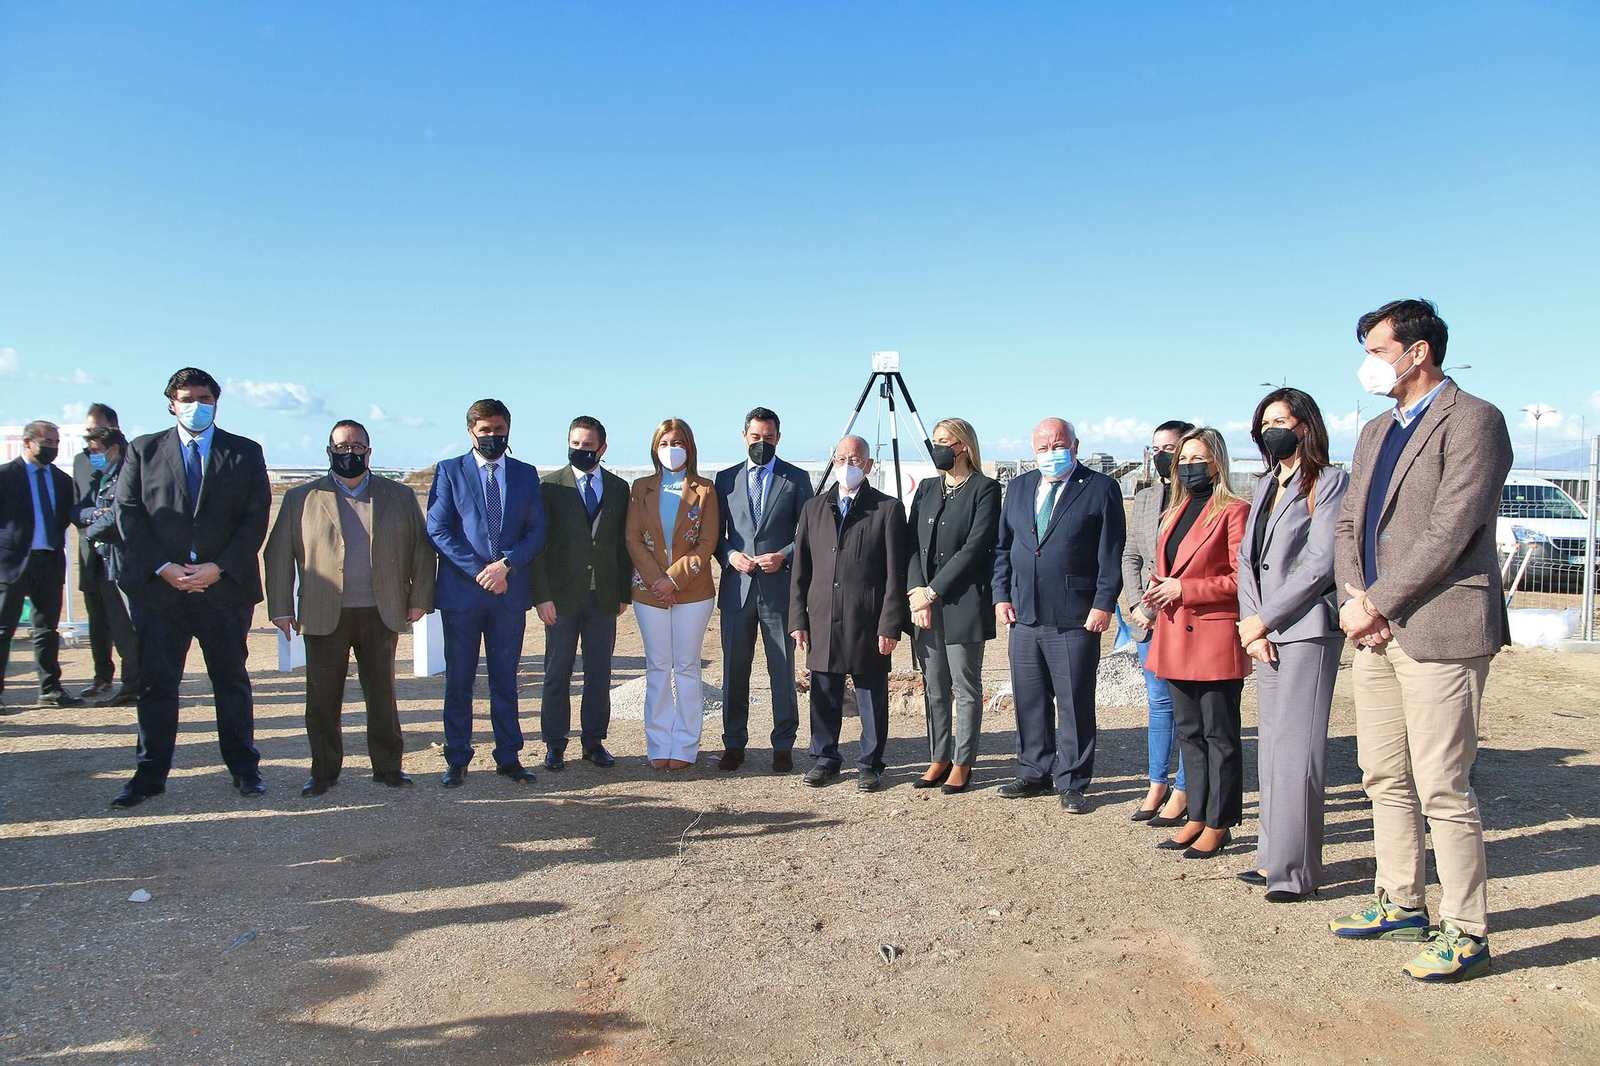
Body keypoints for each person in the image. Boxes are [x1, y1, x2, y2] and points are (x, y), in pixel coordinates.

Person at [1327, 299, 1512, 983]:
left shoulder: (1474, 420)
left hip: (1441, 628)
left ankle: (1466, 930)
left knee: (1442, 786)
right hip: (1374, 630)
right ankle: (1401, 900)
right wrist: (1358, 601)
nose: (1368, 365)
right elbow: (1349, 525)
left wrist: (1378, 602)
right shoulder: (1377, 429)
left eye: (1377, 351)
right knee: (1383, 775)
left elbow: (1451, 529)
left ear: (1418, 351)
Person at [109, 369, 272, 808]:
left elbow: (255, 517)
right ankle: (149, 776)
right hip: (162, 592)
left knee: (231, 682)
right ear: (171, 403)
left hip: (224, 590)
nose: (196, 405)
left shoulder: (244, 452)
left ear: (217, 402)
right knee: (157, 685)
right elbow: (128, 514)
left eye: (204, 398)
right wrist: (163, 566)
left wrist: (219, 567)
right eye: (187, 398)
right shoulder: (143, 450)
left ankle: (244, 769)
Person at [265, 419, 436, 797]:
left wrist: (420, 598)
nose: (350, 453)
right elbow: (277, 554)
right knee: (322, 698)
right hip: (324, 612)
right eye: (342, 447)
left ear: (369, 452)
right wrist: (280, 607)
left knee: (382, 696)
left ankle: (388, 767)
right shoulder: (301, 498)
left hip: (381, 610)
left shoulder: (399, 496)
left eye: (357, 447)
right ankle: (324, 772)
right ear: (329, 451)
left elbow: (422, 551)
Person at [1235, 390, 1348, 901]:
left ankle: (1296, 872)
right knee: (1272, 749)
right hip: (1264, 632)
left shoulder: (1328, 482)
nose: (1271, 430)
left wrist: (1265, 618)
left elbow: (1321, 562)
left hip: (1305, 629)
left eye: (1281, 420)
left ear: (1306, 426)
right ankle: (1271, 859)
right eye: (1265, 423)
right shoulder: (1265, 484)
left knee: (1298, 753)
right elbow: (1246, 559)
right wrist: (1252, 625)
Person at [992, 418, 1125, 813]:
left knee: (1073, 703)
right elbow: (1004, 548)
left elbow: (1110, 554)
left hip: (1075, 616)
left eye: (1058, 445)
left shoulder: (1100, 488)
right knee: (1029, 699)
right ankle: (1034, 771)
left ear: (1075, 445)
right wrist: (1001, 595)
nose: (1051, 453)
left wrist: (1104, 603)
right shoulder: (1019, 487)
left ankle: (1072, 781)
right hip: (1024, 615)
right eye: (1043, 448)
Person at [428, 399, 548, 789]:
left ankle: (509, 756)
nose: (492, 436)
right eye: (485, 431)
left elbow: (537, 531)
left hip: (508, 593)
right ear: (471, 432)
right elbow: (438, 529)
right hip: (463, 595)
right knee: (459, 680)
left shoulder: (525, 474)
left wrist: (506, 565)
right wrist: (482, 571)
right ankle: (457, 757)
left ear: (508, 430)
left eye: (499, 430)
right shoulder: (450, 471)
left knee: (505, 680)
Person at [1143, 427, 1251, 858]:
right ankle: (1197, 815)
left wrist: (1185, 589)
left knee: (1219, 735)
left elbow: (1241, 580)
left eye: (1197, 459)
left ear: (1217, 464)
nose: (1188, 467)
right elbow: (1170, 567)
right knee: (1189, 734)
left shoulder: (1235, 511)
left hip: (1213, 637)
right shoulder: (1175, 511)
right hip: (1174, 635)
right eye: (1182, 460)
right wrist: (1159, 587)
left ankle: (1220, 823)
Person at [789, 435, 909, 792]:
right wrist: (798, 619)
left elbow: (895, 574)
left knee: (871, 696)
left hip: (867, 619)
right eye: (841, 458)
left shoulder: (887, 509)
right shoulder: (814, 508)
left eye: (855, 459)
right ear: (832, 461)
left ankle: (870, 763)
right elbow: (801, 570)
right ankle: (825, 758)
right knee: (824, 692)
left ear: (868, 465)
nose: (847, 465)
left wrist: (890, 623)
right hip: (822, 617)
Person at [713, 406, 814, 774]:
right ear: (744, 436)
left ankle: (783, 745)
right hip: (737, 590)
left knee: (782, 671)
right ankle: (733, 743)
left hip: (778, 590)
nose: (761, 443)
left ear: (778, 438)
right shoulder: (725, 479)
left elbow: (808, 532)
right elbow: (714, 535)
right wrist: (730, 555)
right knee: (734, 671)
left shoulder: (796, 479)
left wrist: (784, 555)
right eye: (755, 437)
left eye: (768, 438)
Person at [532, 416, 632, 772]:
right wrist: (542, 596)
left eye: (588, 445)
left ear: (602, 448)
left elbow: (622, 544)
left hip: (603, 597)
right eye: (575, 443)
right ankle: (555, 743)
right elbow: (540, 546)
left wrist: (623, 592)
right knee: (557, 672)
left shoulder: (618, 488)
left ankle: (593, 741)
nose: (581, 450)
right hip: (561, 598)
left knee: (599, 672)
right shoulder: (549, 486)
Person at [906, 418, 1000, 794]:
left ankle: (963, 762)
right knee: (934, 685)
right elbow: (911, 544)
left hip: (963, 602)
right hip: (924, 605)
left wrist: (932, 591)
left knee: (965, 685)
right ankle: (939, 756)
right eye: (936, 441)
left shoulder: (985, 489)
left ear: (963, 446)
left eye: (946, 441)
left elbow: (975, 549)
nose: (939, 448)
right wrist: (917, 592)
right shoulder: (928, 488)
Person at [626, 418, 719, 770]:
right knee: (657, 666)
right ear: (655, 448)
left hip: (693, 592)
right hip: (648, 592)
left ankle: (685, 745)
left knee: (687, 666)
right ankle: (658, 743)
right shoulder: (640, 488)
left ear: (689, 447)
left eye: (677, 442)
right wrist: (658, 581)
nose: (670, 449)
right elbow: (633, 538)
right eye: (664, 443)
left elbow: (707, 542)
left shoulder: (705, 489)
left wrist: (674, 580)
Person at [1121, 419, 1193, 825]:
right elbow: (1131, 555)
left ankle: (1185, 787)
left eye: (1171, 448)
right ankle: (1156, 783)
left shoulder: (1202, 498)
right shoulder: (1148, 497)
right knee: (1159, 702)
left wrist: (1152, 606)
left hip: (1183, 617)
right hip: (1146, 621)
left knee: (1187, 706)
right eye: (1157, 449)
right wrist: (1136, 605)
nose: (1163, 456)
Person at [0, 421, 80, 714]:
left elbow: (67, 516)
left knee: (47, 629)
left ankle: (50, 688)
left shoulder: (61, 480)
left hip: (49, 561)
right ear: (27, 442)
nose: (53, 448)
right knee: (3, 629)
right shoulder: (5, 476)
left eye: (56, 443)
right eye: (47, 442)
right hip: (12, 563)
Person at [74, 426, 140, 706]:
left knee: (128, 628)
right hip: (106, 563)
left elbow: (117, 514)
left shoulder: (127, 474)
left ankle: (135, 685)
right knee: (118, 627)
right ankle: (132, 684)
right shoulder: (102, 478)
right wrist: (94, 516)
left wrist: (91, 531)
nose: (92, 456)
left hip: (123, 562)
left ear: (114, 449)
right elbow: (79, 509)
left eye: (95, 451)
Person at [73, 402, 120, 700]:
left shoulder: (132, 457)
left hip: (120, 552)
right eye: (88, 430)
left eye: (96, 429)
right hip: (90, 553)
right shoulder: (81, 461)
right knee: (97, 619)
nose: (90, 436)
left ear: (113, 428)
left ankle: (136, 677)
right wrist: (93, 515)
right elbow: (75, 506)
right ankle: (102, 676)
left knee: (125, 620)